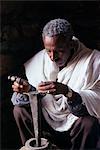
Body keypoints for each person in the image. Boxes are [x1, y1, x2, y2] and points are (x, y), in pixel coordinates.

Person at [11, 18, 100, 149]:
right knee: (20, 111)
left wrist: (67, 92)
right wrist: (27, 90)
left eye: (60, 50)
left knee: (89, 123)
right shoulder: (40, 60)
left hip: (74, 120)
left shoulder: (93, 62)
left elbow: (96, 101)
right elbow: (35, 95)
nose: (53, 57)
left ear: (71, 44)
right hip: (47, 118)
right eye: (48, 50)